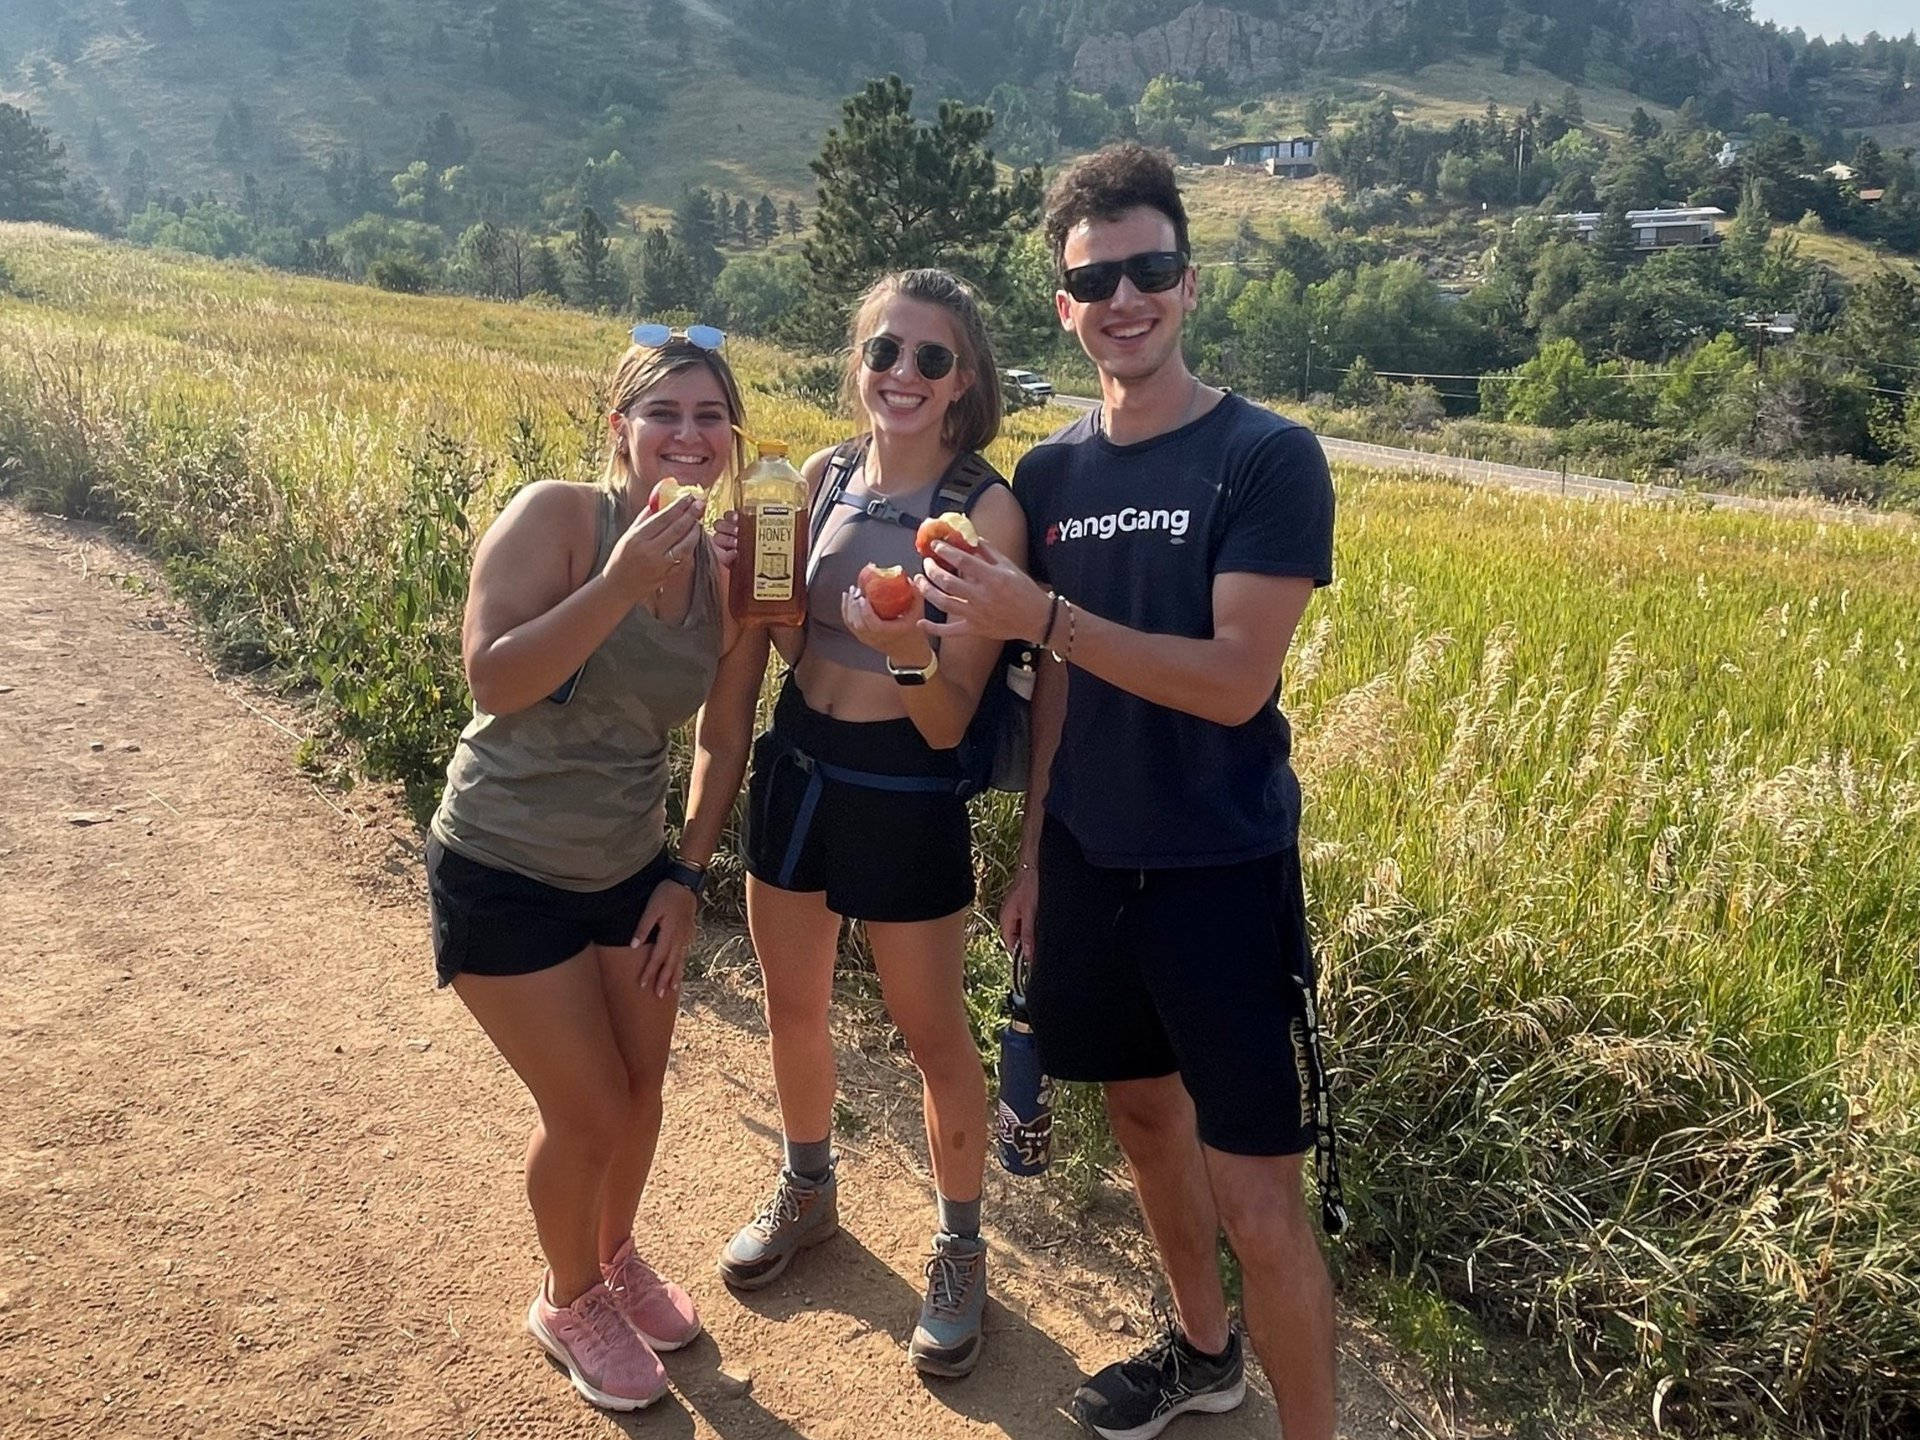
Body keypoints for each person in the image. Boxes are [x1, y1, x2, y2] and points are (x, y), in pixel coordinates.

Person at [915, 145, 1343, 1440]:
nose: (1123, 297)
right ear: (1063, 304)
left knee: (1260, 1195)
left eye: (1148, 269)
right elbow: (1052, 691)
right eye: (1094, 278)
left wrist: (1048, 612)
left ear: (1189, 282)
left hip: (1220, 870)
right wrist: (1038, 858)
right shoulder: (1049, 478)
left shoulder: (1267, 457)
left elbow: (1232, 682)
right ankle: (1205, 1354)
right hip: (1094, 862)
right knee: (1145, 1114)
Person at [697, 269, 1027, 1378]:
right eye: (886, 351)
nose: (903, 374)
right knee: (793, 1005)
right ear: (861, 361)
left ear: (963, 380)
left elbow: (949, 723)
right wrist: (770, 600)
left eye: (931, 359)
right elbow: (796, 643)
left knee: (931, 1034)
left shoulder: (987, 510)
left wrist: (902, 649)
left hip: (907, 787)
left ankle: (961, 1248)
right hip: (801, 767)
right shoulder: (822, 478)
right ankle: (809, 1189)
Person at [426, 326, 761, 1413]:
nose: (688, 434)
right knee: (591, 1115)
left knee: (644, 1094)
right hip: (502, 859)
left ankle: (613, 1255)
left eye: (709, 416)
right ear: (620, 431)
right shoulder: (562, 517)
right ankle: (568, 1299)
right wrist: (619, 585)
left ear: (731, 440)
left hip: (631, 866)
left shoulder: (731, 568)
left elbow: (724, 731)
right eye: (664, 413)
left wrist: (687, 872)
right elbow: (492, 678)